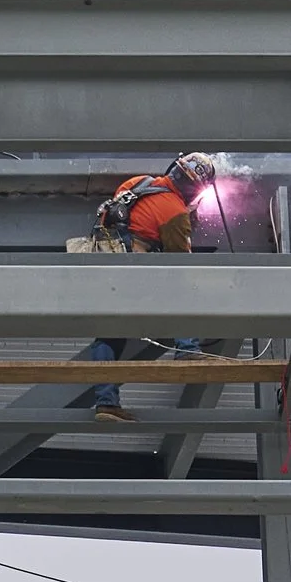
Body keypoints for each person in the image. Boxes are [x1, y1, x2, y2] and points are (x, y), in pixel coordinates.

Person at [73, 152, 217, 422]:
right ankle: (187, 350)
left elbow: (131, 220)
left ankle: (106, 404)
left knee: (109, 335)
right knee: (183, 288)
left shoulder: (137, 182)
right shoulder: (175, 211)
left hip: (105, 268)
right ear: (197, 189)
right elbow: (180, 263)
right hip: (133, 273)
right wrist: (187, 226)